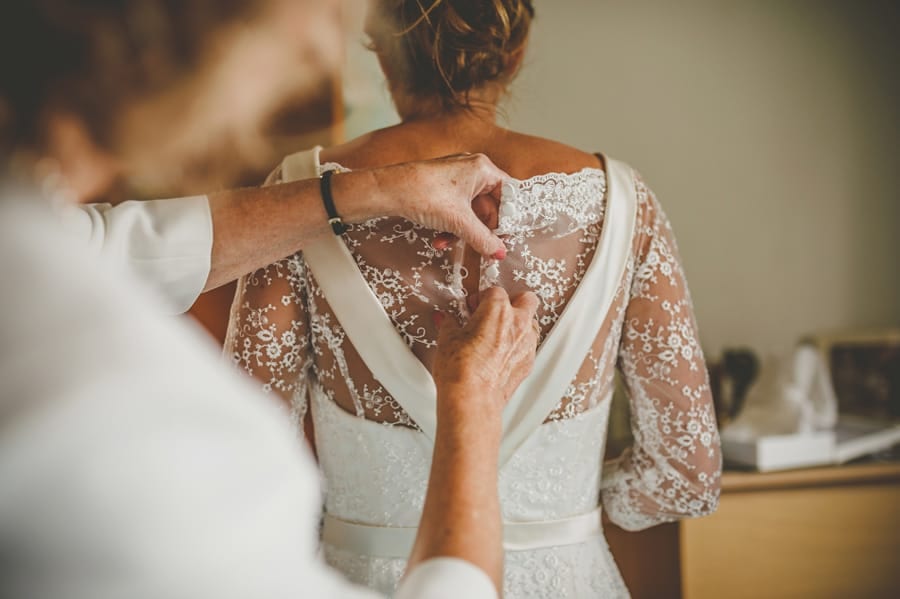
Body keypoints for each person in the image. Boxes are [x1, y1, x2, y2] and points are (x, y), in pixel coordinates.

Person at [0, 1, 539, 597]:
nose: (326, 51)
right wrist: (471, 409)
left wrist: (371, 189)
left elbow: (121, 243)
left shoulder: (32, 241)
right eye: (317, 16)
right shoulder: (118, 417)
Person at [227, 1, 723, 597]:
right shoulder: (623, 203)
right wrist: (563, 504)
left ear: (379, 47)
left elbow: (245, 466)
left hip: (364, 580)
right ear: (513, 53)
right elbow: (685, 475)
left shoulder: (300, 193)